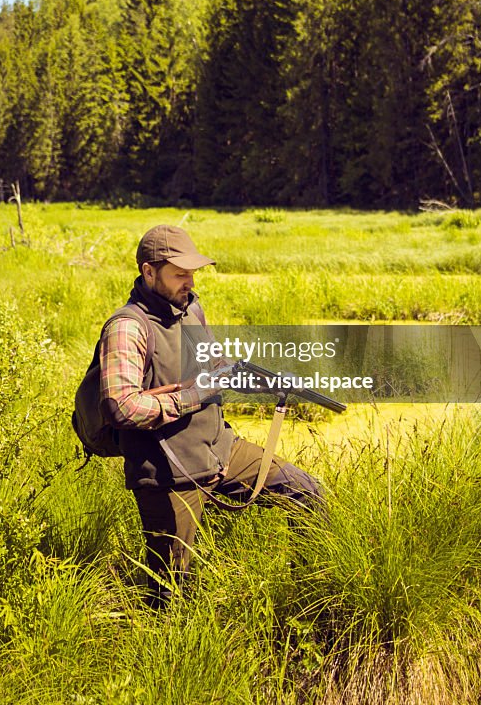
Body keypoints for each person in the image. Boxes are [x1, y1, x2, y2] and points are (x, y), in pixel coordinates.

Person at [98, 223, 322, 607]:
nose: (189, 281)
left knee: (306, 492)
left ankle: (311, 596)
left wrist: (257, 379)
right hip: (169, 474)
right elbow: (121, 406)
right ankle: (162, 654)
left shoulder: (192, 308)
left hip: (221, 450)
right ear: (148, 271)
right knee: (170, 589)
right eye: (179, 273)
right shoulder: (127, 328)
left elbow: (211, 364)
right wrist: (193, 396)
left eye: (193, 272)